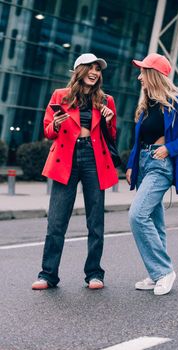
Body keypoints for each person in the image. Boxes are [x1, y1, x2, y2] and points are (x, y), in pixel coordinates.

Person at [32, 53, 118, 290]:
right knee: (57, 221)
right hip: (66, 158)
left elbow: (112, 137)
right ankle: (47, 275)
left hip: (94, 158)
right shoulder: (61, 96)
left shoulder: (106, 100)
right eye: (90, 68)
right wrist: (57, 124)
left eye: (98, 70)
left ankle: (94, 273)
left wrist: (109, 121)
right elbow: (48, 131)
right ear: (79, 70)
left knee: (95, 222)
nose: (95, 72)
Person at [126, 53, 178, 295]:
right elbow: (138, 141)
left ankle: (164, 271)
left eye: (143, 72)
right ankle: (155, 273)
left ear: (154, 75)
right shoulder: (146, 105)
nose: (139, 77)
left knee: (137, 216)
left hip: (161, 166)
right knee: (155, 221)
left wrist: (169, 148)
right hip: (143, 163)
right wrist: (131, 165)